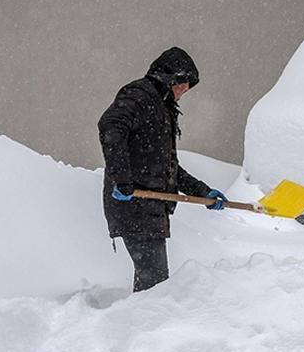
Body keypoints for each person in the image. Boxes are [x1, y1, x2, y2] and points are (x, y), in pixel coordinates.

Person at [98, 46, 228, 292]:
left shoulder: (161, 107)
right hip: (134, 204)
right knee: (154, 282)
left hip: (150, 209)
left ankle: (142, 323)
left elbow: (168, 167)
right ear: (170, 78)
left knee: (153, 282)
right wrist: (121, 178)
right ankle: (142, 326)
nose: (184, 92)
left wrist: (204, 192)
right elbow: (111, 125)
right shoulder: (139, 95)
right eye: (183, 84)